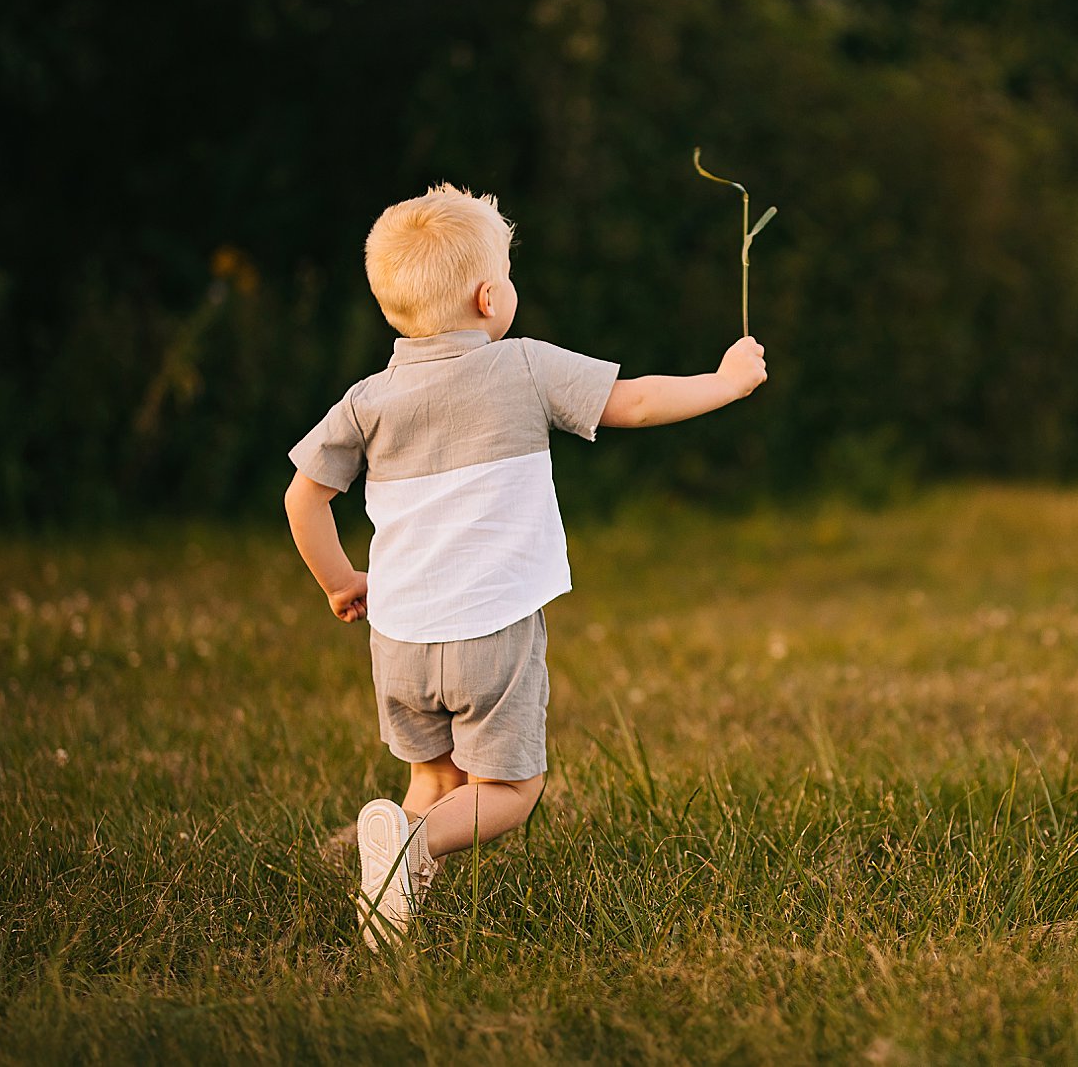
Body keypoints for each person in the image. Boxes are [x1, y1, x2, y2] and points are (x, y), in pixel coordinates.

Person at [285, 183, 768, 946]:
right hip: (491, 631)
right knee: (508, 788)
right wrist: (727, 381)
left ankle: (390, 878)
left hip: (400, 639)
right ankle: (413, 850)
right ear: (488, 296)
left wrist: (341, 582)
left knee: (434, 778)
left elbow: (302, 499)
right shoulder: (523, 367)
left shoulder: (367, 400)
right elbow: (636, 403)